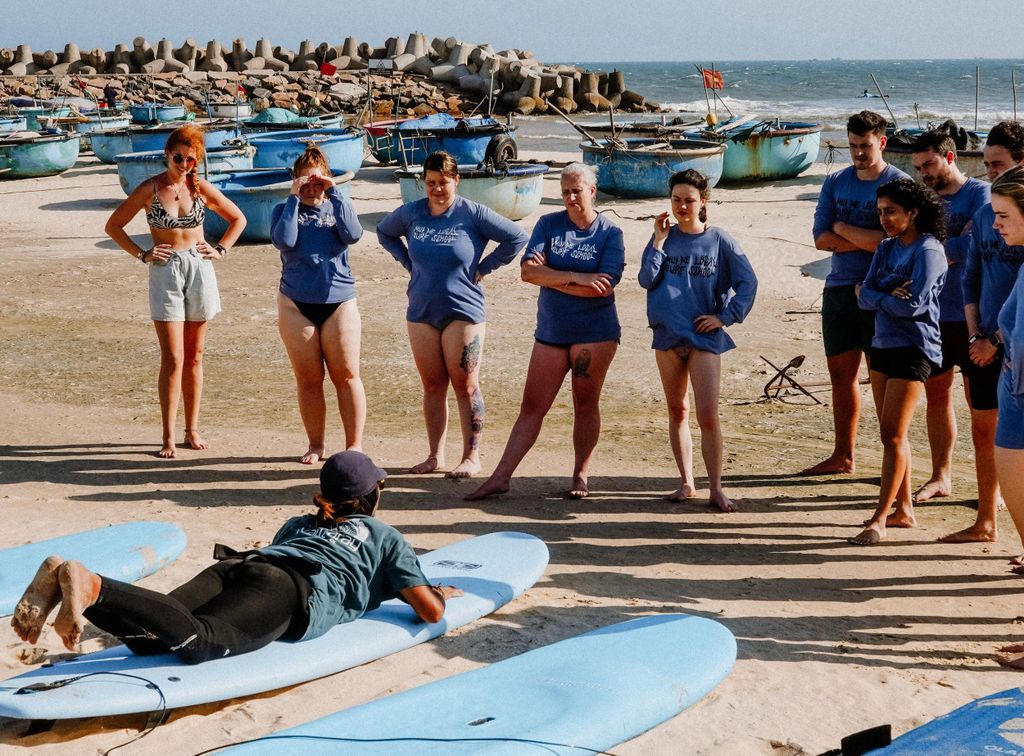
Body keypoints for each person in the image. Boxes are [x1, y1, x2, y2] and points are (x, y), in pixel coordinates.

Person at [10, 450, 462, 661]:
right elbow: (429, 612)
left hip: (238, 565)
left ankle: (77, 580)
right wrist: (429, 591)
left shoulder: (299, 524)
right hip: (290, 590)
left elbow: (285, 554)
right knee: (200, 643)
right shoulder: (385, 536)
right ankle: (93, 584)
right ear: (372, 495)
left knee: (149, 638)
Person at [466, 163, 625, 501]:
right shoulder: (549, 224)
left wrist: (556, 277)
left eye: (576, 191)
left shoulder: (610, 233)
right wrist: (578, 277)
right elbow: (527, 273)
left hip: (595, 334)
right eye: (565, 191)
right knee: (532, 405)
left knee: (585, 404)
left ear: (591, 192)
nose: (569, 197)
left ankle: (580, 474)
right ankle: (501, 476)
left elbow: (603, 288)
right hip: (552, 331)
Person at [376, 151, 528, 478]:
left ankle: (472, 456)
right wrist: (407, 262)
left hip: (463, 311)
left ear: (456, 180)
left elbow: (517, 237)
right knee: (432, 385)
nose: (437, 189)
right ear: (424, 183)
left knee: (466, 384)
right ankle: (434, 456)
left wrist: (485, 267)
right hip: (421, 310)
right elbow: (384, 231)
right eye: (431, 183)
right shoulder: (412, 213)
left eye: (443, 183)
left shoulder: (472, 214)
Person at [105, 124, 246, 458]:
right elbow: (113, 226)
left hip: (199, 268)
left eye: (191, 160)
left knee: (195, 356)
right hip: (165, 270)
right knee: (172, 357)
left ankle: (191, 429)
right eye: (179, 157)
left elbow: (237, 219)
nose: (184, 164)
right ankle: (167, 436)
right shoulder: (150, 189)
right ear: (167, 155)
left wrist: (221, 249)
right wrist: (142, 254)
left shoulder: (201, 189)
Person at [636, 169, 758, 512]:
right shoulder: (664, 237)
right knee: (677, 411)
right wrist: (658, 241)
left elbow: (748, 283)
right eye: (676, 200)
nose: (682, 206)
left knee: (708, 415)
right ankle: (686, 482)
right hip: (667, 335)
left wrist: (725, 316)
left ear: (703, 201)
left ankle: (716, 488)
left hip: (705, 338)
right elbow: (646, 279)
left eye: (689, 200)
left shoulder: (720, 239)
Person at [805, 111, 909, 475]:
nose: (859, 153)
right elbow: (820, 240)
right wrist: (866, 240)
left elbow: (895, 242)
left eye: (865, 146)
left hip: (882, 294)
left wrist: (843, 227)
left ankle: (890, 462)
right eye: (852, 146)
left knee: (881, 380)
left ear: (881, 142)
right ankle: (843, 455)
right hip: (838, 290)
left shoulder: (899, 183)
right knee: (841, 377)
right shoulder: (835, 182)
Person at [848, 179, 948, 545]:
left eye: (891, 211)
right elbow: (862, 294)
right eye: (880, 212)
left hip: (915, 346)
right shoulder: (887, 248)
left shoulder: (928, 251)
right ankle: (903, 508)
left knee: (893, 433)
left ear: (913, 212)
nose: (884, 218)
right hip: (882, 342)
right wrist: (882, 294)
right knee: (890, 434)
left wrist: (877, 295)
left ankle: (879, 519)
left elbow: (914, 306)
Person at [942, 121, 1024, 543]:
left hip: (1012, 346)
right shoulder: (984, 212)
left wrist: (996, 340)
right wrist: (977, 335)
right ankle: (986, 519)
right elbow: (970, 277)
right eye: (987, 165)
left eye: (999, 164)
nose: (990, 172)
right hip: (982, 340)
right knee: (985, 432)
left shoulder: (1019, 216)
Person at [907, 132, 991, 513]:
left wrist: (937, 249)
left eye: (929, 164)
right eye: (918, 168)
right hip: (933, 315)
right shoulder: (923, 201)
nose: (924, 173)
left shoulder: (980, 195)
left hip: (973, 315)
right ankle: (941, 475)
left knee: (981, 407)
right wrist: (947, 246)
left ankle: (992, 486)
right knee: (936, 396)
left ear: (950, 157)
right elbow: (914, 248)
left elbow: (974, 248)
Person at [271, 144, 365, 464]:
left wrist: (334, 193)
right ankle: (316, 444)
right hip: (296, 305)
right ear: (295, 180)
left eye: (317, 182)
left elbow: (353, 234)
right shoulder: (284, 209)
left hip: (339, 302)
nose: (312, 189)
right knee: (309, 379)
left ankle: (354, 445)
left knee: (347, 375)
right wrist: (294, 198)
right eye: (305, 182)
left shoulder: (338, 205)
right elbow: (285, 241)